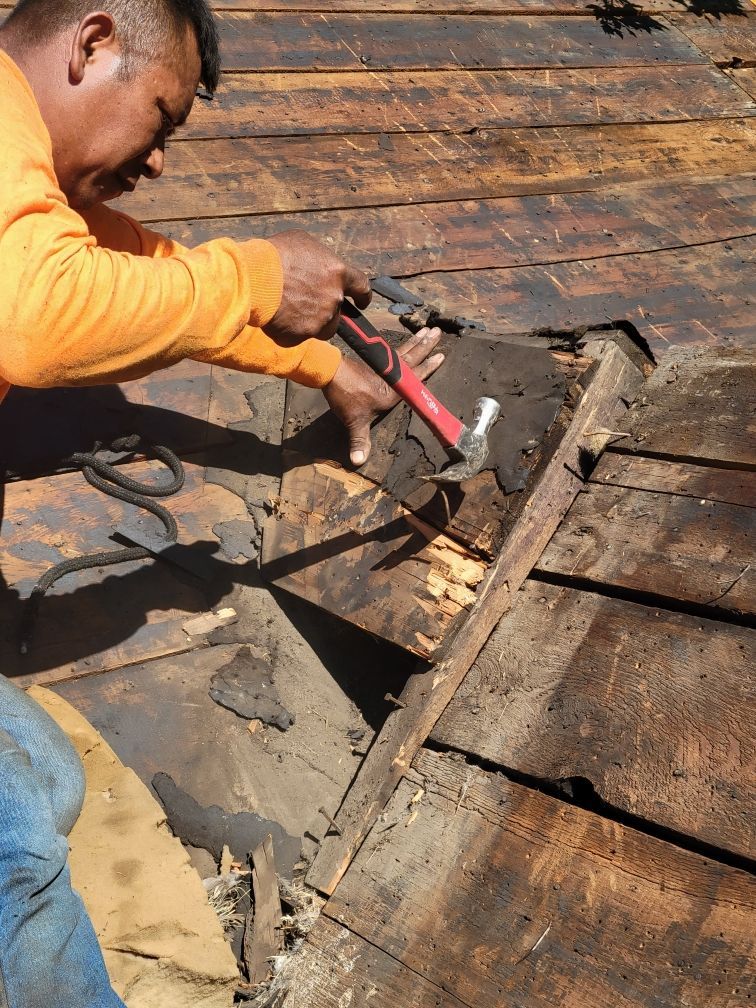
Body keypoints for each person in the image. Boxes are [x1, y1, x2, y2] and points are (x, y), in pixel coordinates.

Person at [0, 1, 444, 1004]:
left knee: (51, 776)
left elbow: (142, 283)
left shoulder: (28, 186)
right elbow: (31, 319)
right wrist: (251, 272)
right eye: (162, 116)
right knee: (15, 864)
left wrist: (321, 360)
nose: (158, 159)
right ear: (94, 42)